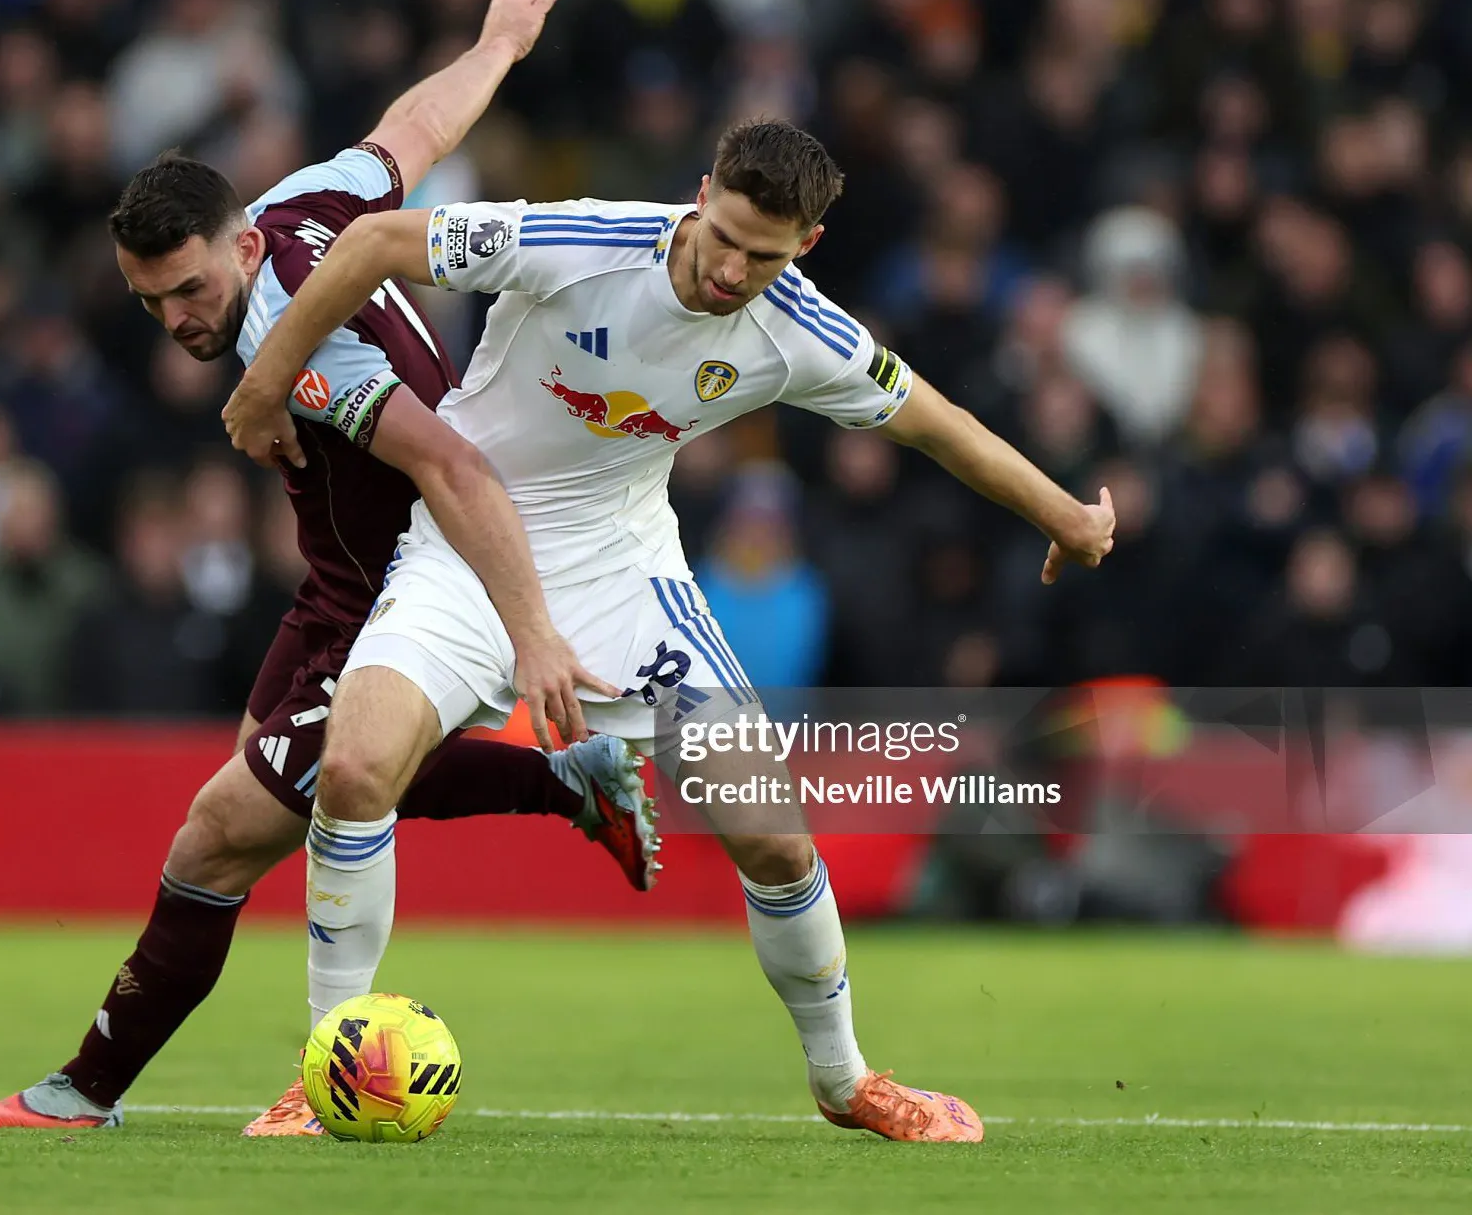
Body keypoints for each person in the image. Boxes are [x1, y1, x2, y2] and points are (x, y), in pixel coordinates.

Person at [222, 117, 1119, 1143]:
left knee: (772, 837)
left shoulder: (800, 330)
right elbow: (376, 242)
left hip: (623, 572)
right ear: (700, 194)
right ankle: (326, 1068)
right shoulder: (582, 241)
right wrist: (263, 381)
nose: (733, 269)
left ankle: (846, 1081)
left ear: (807, 248)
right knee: (354, 769)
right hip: (468, 543)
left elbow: (933, 420)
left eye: (765, 254)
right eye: (724, 234)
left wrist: (1064, 514)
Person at [0, 0, 656, 1136]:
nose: (174, 319)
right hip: (336, 582)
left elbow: (452, 464)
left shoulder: (303, 347)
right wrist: (496, 44)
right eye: (148, 303)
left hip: (410, 581)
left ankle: (114, 1085)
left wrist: (534, 638)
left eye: (184, 290)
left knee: (224, 827)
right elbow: (410, 129)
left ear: (236, 251)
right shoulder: (307, 202)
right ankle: (560, 787)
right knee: (289, 774)